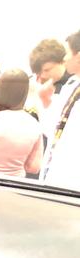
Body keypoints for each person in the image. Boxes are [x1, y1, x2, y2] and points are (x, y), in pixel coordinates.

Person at [41, 30, 80, 188]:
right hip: (56, 172)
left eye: (67, 53)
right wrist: (44, 100)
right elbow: (54, 129)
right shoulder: (71, 85)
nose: (64, 59)